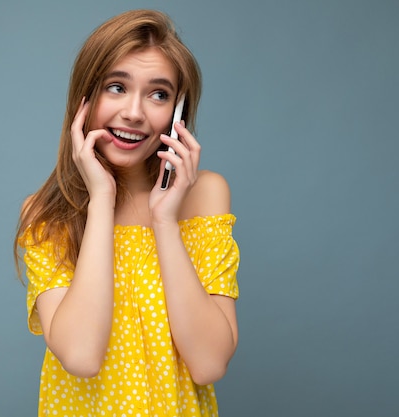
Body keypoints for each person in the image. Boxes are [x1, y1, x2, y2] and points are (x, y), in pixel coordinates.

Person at [14, 9, 240, 416]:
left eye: (158, 94)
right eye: (116, 87)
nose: (134, 112)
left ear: (178, 112)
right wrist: (101, 200)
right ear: (84, 99)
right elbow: (81, 357)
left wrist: (165, 220)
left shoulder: (204, 195)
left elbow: (209, 364)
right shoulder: (46, 217)